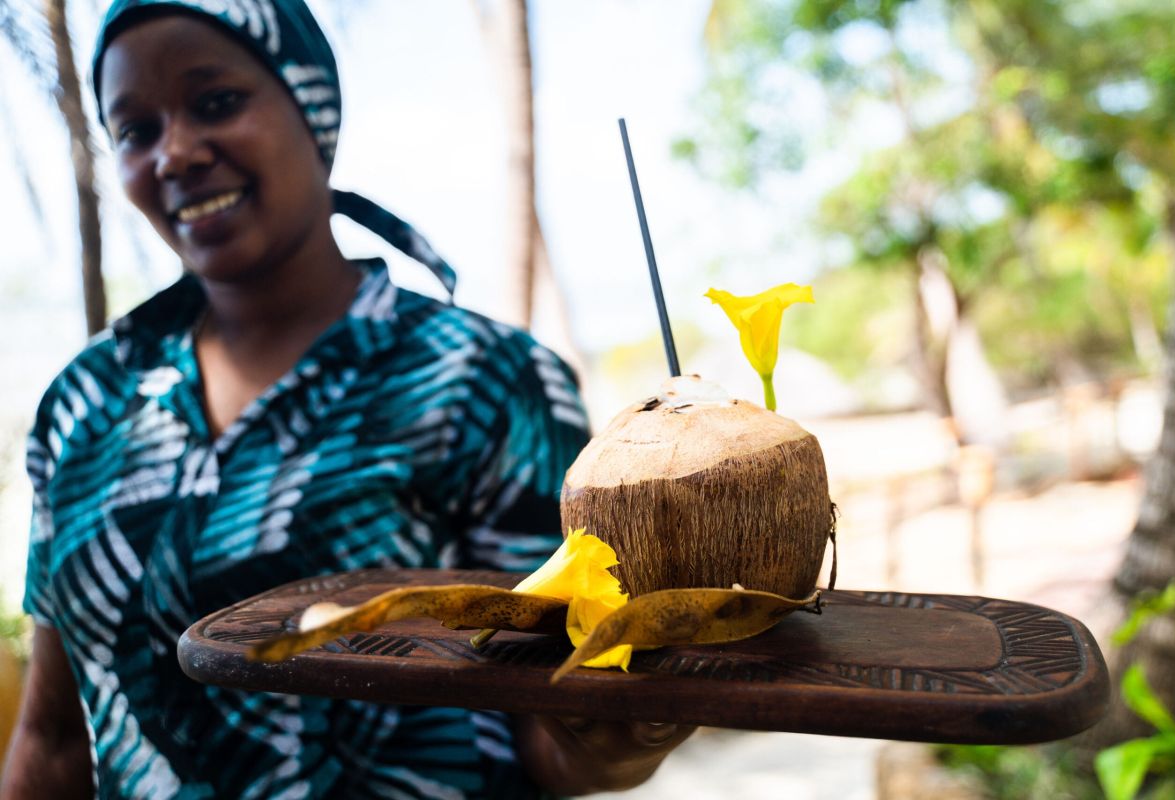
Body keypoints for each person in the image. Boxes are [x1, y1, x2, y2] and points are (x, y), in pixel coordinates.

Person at [0, 1, 691, 797]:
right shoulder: (84, 403)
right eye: (135, 130)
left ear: (311, 105)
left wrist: (621, 737)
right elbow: (54, 737)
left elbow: (552, 729)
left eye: (216, 102)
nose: (176, 152)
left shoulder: (487, 381)